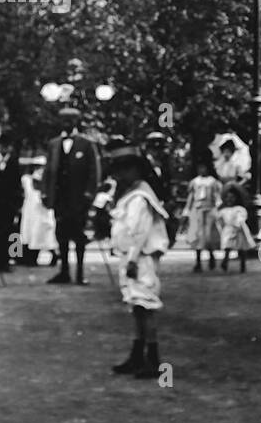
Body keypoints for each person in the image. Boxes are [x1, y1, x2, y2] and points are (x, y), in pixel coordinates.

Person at [105, 139, 170, 379]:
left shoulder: (141, 197)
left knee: (146, 304)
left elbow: (139, 232)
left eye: (126, 168)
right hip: (131, 257)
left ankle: (153, 358)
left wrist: (132, 259)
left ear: (137, 169)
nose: (122, 174)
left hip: (140, 258)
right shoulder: (130, 194)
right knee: (136, 305)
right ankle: (137, 353)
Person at [44, 107, 101, 286]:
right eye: (64, 121)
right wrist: (46, 193)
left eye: (70, 120)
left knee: (79, 236)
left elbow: (94, 172)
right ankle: (64, 271)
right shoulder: (53, 144)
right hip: (60, 198)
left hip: (78, 199)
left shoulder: (86, 144)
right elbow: (48, 171)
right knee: (61, 235)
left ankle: (80, 273)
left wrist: (89, 194)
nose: (67, 124)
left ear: (77, 122)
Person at [0, 130, 24, 272]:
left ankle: (8, 260)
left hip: (9, 204)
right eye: (2, 145)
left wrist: (18, 204)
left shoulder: (14, 163)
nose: (4, 148)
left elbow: (18, 185)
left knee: (11, 232)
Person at [183, 157, 223, 271]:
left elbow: (216, 196)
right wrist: (187, 210)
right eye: (200, 168)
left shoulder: (212, 182)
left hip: (209, 209)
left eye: (204, 167)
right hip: (197, 210)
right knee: (197, 235)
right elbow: (191, 197)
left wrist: (218, 206)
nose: (202, 170)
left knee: (208, 235)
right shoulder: (195, 182)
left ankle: (211, 256)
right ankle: (198, 261)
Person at [18, 158, 57, 266]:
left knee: (44, 233)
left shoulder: (48, 179)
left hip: (42, 210)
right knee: (29, 234)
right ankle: (25, 258)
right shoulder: (26, 179)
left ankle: (54, 254)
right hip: (30, 209)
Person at [143, 133, 176, 246]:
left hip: (162, 199)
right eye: (154, 149)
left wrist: (169, 198)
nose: (157, 152)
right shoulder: (143, 165)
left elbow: (169, 182)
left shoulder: (165, 164)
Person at [218, 175, 256, 272]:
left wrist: (238, 224)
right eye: (228, 198)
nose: (230, 200)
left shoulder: (239, 209)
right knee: (227, 246)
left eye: (232, 198)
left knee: (241, 247)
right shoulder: (224, 210)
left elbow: (241, 219)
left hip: (239, 230)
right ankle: (225, 261)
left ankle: (243, 264)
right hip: (228, 230)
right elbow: (220, 220)